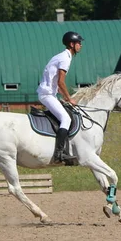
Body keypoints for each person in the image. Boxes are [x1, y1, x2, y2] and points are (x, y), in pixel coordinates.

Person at [37, 31, 84, 164]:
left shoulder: (63, 56)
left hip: (50, 93)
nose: (80, 45)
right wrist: (69, 99)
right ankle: (59, 153)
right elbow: (60, 82)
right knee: (66, 119)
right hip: (46, 94)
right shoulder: (65, 58)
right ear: (71, 44)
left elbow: (56, 82)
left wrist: (61, 97)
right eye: (78, 43)